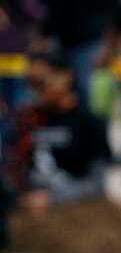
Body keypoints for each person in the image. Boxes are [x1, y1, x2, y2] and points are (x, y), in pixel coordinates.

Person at [7, 48, 110, 212]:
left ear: (66, 77)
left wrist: (54, 199)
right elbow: (12, 174)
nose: (35, 91)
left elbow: (98, 185)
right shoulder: (27, 121)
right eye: (31, 84)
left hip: (73, 213)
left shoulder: (88, 122)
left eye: (41, 83)